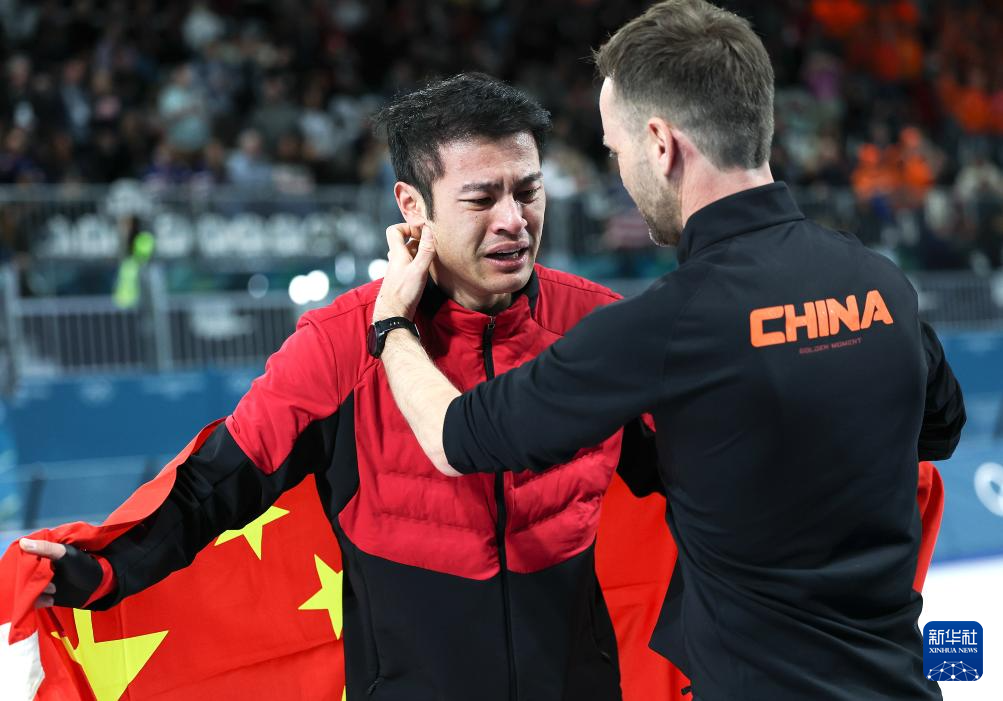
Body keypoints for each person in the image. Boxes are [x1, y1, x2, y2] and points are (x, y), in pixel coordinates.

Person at [373, 2, 967, 700]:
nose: (621, 174)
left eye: (616, 151)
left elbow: (456, 437)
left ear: (659, 144)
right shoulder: (879, 282)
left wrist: (392, 323)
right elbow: (939, 428)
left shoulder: (668, 325)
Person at [17, 73, 665, 701]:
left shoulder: (598, 327)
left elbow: (691, 479)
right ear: (412, 206)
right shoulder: (338, 345)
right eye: (480, 199)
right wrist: (98, 570)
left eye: (527, 191)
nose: (513, 220)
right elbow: (213, 487)